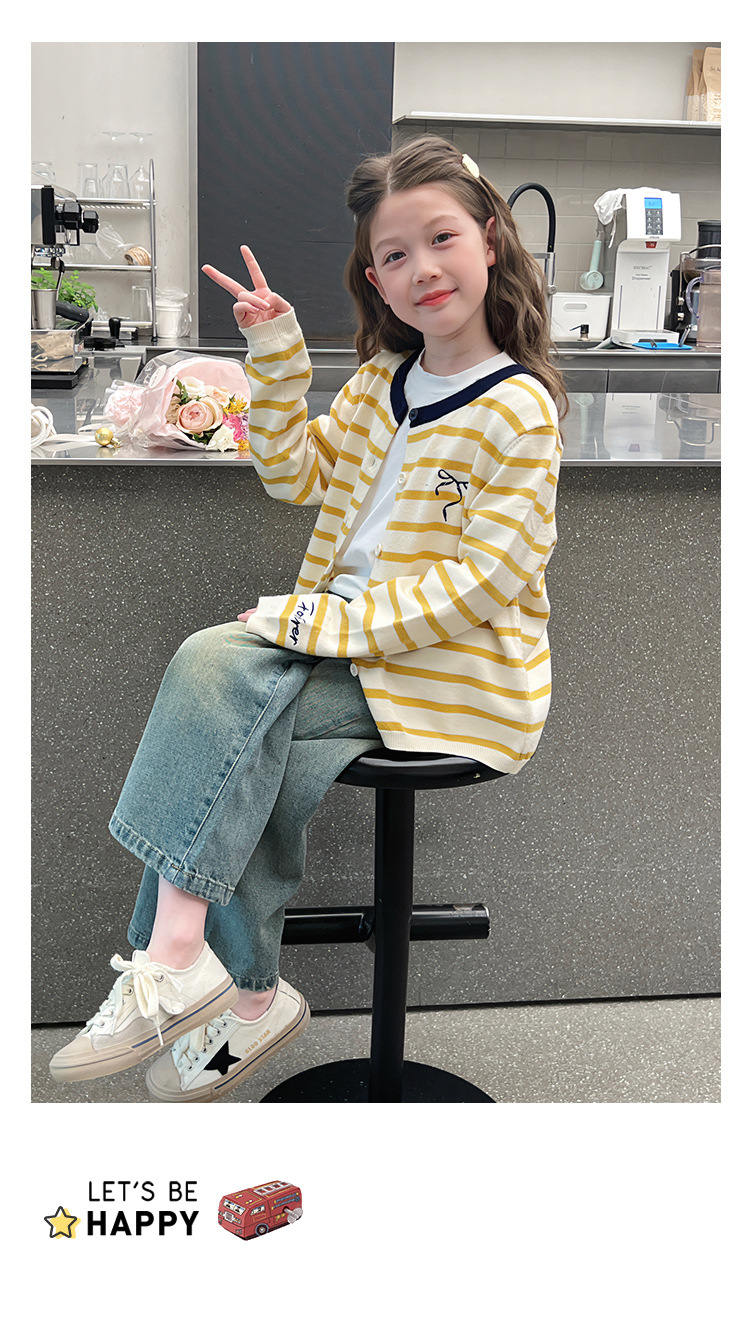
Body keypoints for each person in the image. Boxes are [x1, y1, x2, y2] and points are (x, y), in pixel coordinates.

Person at [49, 134, 566, 1102]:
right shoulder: (380, 385)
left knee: (221, 686)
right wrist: (277, 353)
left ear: (490, 241)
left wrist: (308, 625)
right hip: (358, 653)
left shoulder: (519, 410)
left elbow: (477, 587)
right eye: (395, 254)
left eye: (441, 238)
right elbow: (292, 473)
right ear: (375, 280)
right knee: (236, 736)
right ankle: (216, 978)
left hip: (456, 674)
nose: (422, 268)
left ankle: (207, 973)